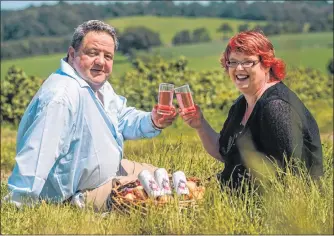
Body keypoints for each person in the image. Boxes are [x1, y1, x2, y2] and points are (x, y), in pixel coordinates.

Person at [5, 20, 177, 211]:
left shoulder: (97, 85)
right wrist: (18, 204)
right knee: (154, 198)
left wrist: (153, 120)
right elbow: (37, 154)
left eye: (108, 56)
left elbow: (122, 118)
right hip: (79, 194)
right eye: (93, 53)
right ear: (72, 54)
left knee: (170, 183)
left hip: (111, 175)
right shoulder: (61, 96)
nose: (101, 62)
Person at [179, 30, 323, 189]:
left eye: (248, 62)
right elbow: (225, 153)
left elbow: (291, 177)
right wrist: (200, 125)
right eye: (232, 62)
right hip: (234, 195)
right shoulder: (241, 104)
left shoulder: (276, 108)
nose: (239, 69)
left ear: (267, 64)